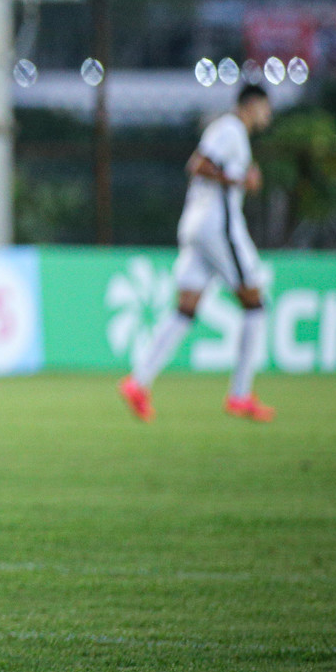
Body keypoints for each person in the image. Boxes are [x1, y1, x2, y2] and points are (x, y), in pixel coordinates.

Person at [120, 82, 278, 423]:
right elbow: (199, 164)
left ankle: (138, 382)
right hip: (217, 227)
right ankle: (240, 394)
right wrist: (240, 178)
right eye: (266, 107)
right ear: (252, 105)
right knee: (255, 303)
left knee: (185, 309)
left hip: (195, 225)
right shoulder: (231, 129)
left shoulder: (230, 131)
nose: (268, 115)